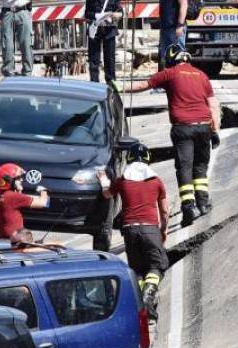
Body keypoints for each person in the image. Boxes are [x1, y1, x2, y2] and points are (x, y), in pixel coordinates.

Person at [120, 44, 220, 227]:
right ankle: (203, 203)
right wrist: (214, 131)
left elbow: (144, 84)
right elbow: (213, 105)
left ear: (172, 59)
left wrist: (119, 86)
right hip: (204, 127)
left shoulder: (170, 73)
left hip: (183, 128)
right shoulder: (202, 75)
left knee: (184, 167)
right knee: (200, 166)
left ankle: (188, 206)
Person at [97, 142, 168, 317]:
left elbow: (107, 194)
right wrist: (163, 230)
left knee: (136, 269)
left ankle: (141, 304)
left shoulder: (123, 181)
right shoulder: (157, 182)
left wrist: (104, 181)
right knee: (156, 266)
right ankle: (148, 295)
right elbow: (165, 211)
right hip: (150, 228)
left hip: (129, 230)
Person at [0, 163, 50, 244]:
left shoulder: (2, 196)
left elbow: (18, 199)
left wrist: (19, 190)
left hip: (3, 239)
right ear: (9, 181)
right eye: (18, 178)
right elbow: (43, 203)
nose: (21, 180)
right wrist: (44, 191)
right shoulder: (12, 197)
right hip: (16, 240)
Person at [86, 0, 123, 84]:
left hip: (109, 31)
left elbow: (120, 12)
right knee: (93, 61)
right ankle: (94, 85)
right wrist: (97, 16)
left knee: (110, 60)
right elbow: (87, 13)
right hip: (95, 30)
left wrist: (115, 15)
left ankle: (111, 85)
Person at [0, 0, 35, 76]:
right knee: (7, 45)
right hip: (7, 10)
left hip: (23, 10)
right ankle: (8, 74)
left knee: (26, 44)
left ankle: (27, 74)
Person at [158, 0, 188, 69]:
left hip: (174, 27)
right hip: (166, 27)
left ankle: (178, 77)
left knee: (178, 56)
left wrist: (180, 25)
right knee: (165, 58)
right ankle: (168, 77)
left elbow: (184, 4)